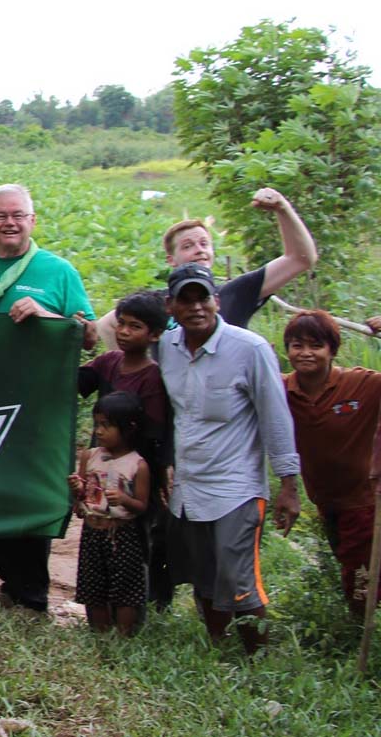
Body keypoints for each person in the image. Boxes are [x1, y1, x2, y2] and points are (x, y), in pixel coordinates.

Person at [0, 183, 95, 613]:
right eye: (1, 216)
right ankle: (10, 584)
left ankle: (33, 592)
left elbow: (88, 337)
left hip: (39, 410)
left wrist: (46, 315)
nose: (9, 223)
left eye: (18, 215)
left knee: (34, 493)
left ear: (33, 221)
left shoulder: (59, 272)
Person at [160, 262, 300, 654]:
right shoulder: (166, 349)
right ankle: (217, 651)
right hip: (189, 486)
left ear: (216, 301)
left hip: (237, 487)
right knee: (203, 576)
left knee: (239, 581)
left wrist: (288, 484)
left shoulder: (248, 349)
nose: (196, 307)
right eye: (185, 300)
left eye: (202, 297)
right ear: (170, 307)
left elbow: (276, 416)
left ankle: (257, 659)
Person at [94, 187, 318, 348]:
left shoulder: (235, 292)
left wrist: (283, 208)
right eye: (188, 246)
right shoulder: (155, 302)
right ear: (171, 259)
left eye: (204, 244)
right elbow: (104, 326)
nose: (199, 250)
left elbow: (300, 259)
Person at [77, 291, 172, 610]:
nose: (124, 332)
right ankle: (98, 612)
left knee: (132, 543)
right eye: (121, 324)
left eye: (135, 326)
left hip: (134, 474)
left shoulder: (153, 377)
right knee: (94, 533)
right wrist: (67, 338)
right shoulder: (108, 362)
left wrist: (159, 473)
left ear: (155, 334)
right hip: (100, 470)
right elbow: (76, 382)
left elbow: (156, 433)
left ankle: (134, 612)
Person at [282, 310, 381, 616]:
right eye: (297, 345)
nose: (306, 353)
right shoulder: (282, 390)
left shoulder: (362, 385)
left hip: (365, 500)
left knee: (360, 576)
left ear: (332, 350)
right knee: (353, 566)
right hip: (326, 501)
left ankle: (364, 638)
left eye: (316, 345)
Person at [68, 392, 151, 635]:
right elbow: (82, 496)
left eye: (107, 425)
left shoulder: (138, 465)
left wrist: (125, 499)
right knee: (93, 587)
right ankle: (99, 635)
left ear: (129, 428)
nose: (100, 431)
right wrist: (77, 489)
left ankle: (123, 635)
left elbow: (142, 505)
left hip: (122, 534)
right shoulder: (90, 456)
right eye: (97, 424)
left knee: (125, 589)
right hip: (93, 531)